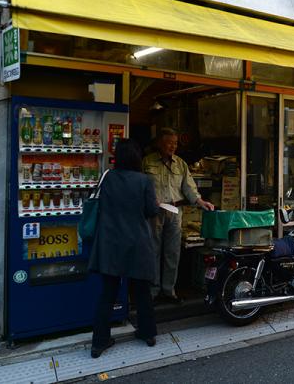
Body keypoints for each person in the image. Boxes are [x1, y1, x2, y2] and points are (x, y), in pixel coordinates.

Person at [88, 139, 159, 359]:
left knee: (108, 293)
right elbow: (151, 210)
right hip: (137, 242)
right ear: (136, 157)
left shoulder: (107, 178)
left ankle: (99, 343)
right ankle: (148, 334)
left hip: (110, 243)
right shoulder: (144, 180)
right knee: (142, 292)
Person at [142, 128, 214, 303]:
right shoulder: (147, 162)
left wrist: (200, 201)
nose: (172, 146)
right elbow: (140, 186)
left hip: (175, 211)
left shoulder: (180, 164)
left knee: (172, 252)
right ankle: (153, 290)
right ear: (159, 143)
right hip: (154, 212)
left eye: (175, 143)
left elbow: (189, 187)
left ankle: (169, 290)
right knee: (153, 251)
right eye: (169, 142)